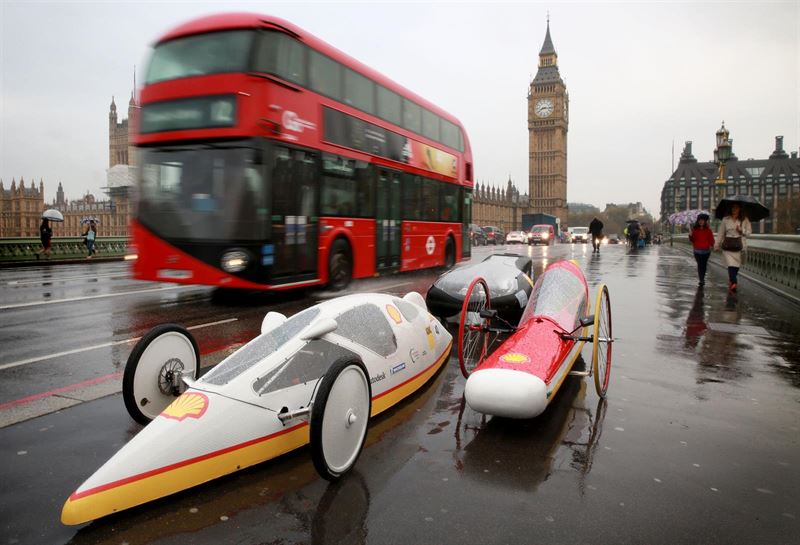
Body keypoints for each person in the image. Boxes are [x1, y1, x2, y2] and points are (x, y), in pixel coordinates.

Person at [714, 203, 751, 293]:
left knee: (736, 266)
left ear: (739, 209)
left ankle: (732, 280)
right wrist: (717, 244)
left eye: (736, 207)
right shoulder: (725, 220)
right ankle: (734, 282)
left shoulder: (745, 219)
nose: (734, 209)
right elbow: (721, 233)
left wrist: (742, 230)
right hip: (728, 246)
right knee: (731, 265)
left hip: (740, 246)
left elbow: (749, 233)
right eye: (732, 207)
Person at [688, 213, 714, 286]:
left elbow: (711, 239)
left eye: (702, 220)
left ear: (705, 221)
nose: (701, 221)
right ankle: (701, 280)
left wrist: (711, 245)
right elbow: (693, 240)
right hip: (697, 250)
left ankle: (702, 278)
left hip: (706, 251)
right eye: (699, 220)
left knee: (704, 265)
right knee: (700, 265)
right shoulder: (695, 230)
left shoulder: (708, 230)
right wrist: (690, 235)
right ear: (698, 221)